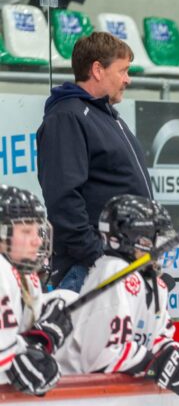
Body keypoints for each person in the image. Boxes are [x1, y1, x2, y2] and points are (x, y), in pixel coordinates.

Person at [56, 195, 179, 405]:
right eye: (153, 237)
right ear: (135, 240)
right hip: (74, 398)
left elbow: (155, 343)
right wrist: (168, 365)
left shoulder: (152, 282)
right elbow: (102, 356)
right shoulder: (112, 272)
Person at [36, 32, 151, 292]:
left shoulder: (109, 117)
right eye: (122, 71)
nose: (127, 79)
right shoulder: (67, 117)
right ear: (98, 70)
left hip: (121, 267)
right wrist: (99, 257)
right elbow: (63, 200)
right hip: (90, 271)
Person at [0, 185, 73, 397]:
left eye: (38, 230)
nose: (38, 240)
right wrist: (41, 337)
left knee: (66, 299)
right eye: (26, 231)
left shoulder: (25, 273)